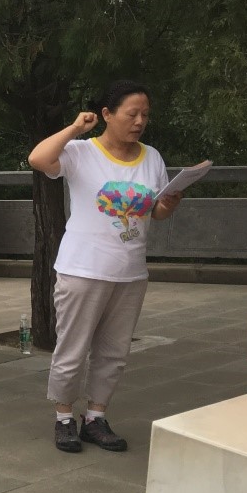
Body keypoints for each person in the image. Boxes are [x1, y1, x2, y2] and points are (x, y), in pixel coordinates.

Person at [29, 80, 184, 453]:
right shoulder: (81, 152)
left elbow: (155, 212)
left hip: (130, 273)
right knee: (72, 349)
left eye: (145, 115)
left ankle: (95, 418)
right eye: (132, 114)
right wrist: (74, 129)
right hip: (83, 269)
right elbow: (38, 159)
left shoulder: (152, 158)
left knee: (114, 353)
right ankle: (64, 418)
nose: (139, 121)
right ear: (107, 115)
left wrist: (169, 204)